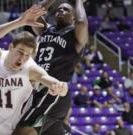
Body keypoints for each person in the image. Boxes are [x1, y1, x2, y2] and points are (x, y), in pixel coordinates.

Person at [0, 5, 68, 135]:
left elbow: (49, 80)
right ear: (11, 47)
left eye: (27, 55)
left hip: (16, 130)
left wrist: (60, 88)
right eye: (20, 52)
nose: (22, 58)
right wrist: (20, 22)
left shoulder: (30, 68)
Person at [14, 0, 88, 135]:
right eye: (59, 9)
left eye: (66, 10)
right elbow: (33, 13)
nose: (61, 11)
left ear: (73, 17)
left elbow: (81, 22)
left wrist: (79, 2)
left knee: (22, 131)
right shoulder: (47, 29)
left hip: (53, 91)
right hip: (39, 89)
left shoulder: (75, 35)